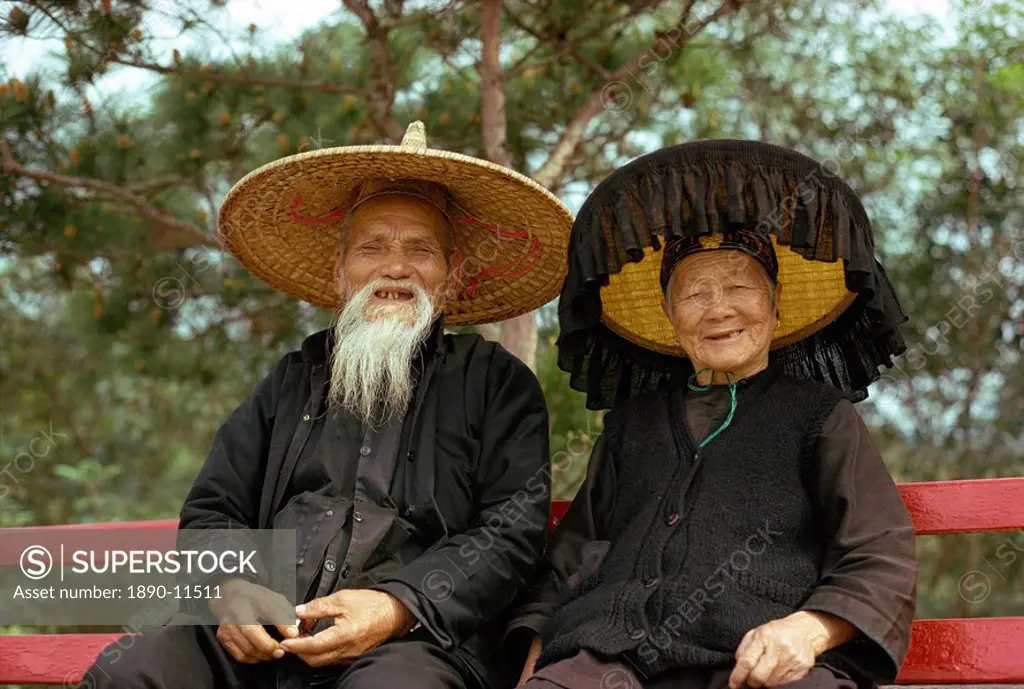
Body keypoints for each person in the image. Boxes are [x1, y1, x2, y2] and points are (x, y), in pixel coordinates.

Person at [79, 122, 574, 689]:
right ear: (340, 274)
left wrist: (396, 606)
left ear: (452, 278)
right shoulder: (293, 379)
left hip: (416, 643)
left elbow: (510, 534)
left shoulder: (495, 383)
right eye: (372, 249)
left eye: (420, 250)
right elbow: (214, 511)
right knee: (137, 670)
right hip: (265, 640)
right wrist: (230, 590)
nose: (395, 268)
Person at [508, 140, 918, 689]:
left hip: (755, 669)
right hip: (608, 663)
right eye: (695, 294)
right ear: (671, 320)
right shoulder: (632, 425)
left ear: (774, 309)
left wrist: (810, 629)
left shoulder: (821, 417)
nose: (719, 308)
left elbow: (878, 551)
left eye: (740, 287)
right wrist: (538, 657)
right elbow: (571, 556)